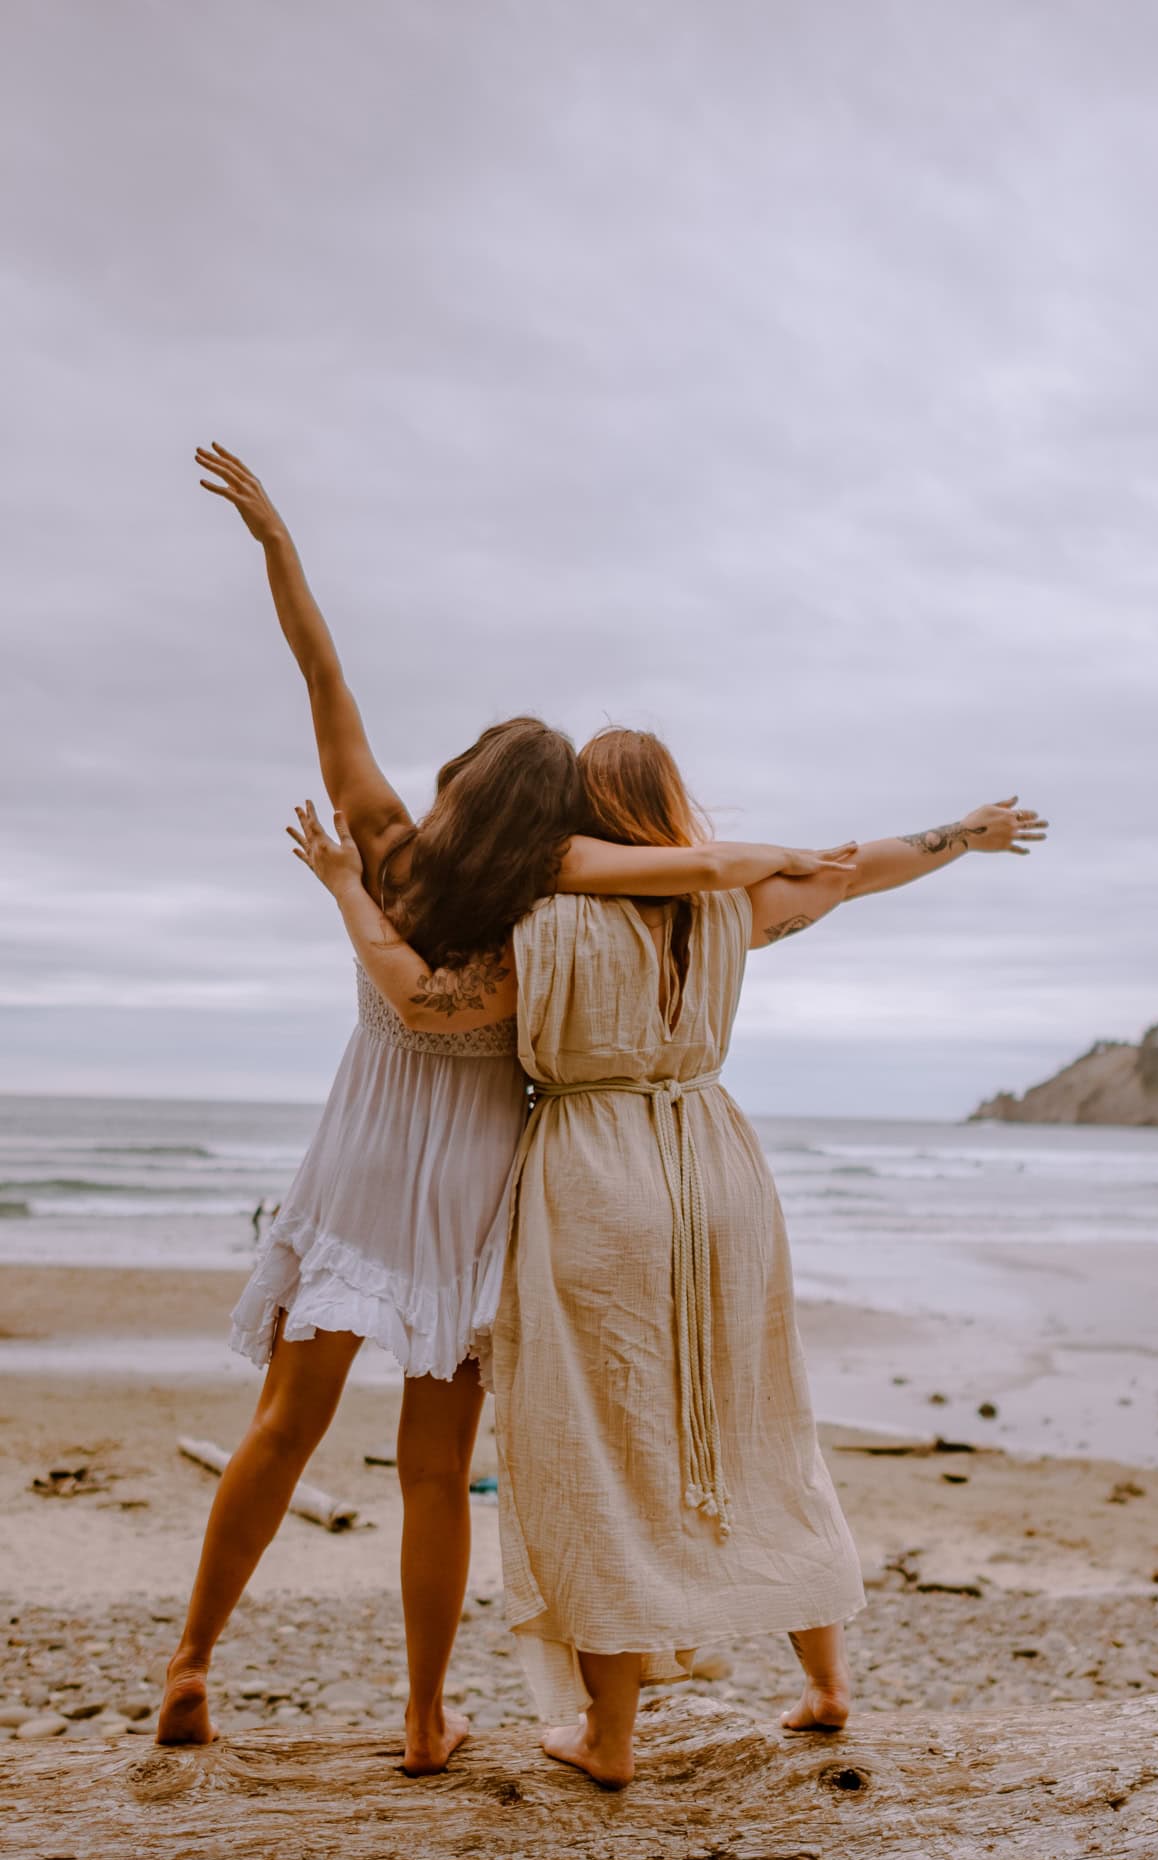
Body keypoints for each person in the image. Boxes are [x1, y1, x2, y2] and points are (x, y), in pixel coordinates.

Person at [157, 449, 843, 1770]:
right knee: (430, 1471)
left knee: (282, 1429)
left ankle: (189, 1667)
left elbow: (323, 679)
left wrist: (277, 547)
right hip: (477, 1188)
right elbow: (682, 873)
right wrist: (763, 856)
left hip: (359, 1168)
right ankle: (422, 1718)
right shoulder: (539, 911)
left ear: (462, 784)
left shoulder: (387, 849)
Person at [294, 726, 1046, 1785]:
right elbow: (853, 867)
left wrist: (346, 887)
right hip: (715, 1160)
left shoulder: (542, 923)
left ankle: (607, 1735)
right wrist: (963, 835)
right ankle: (826, 1684)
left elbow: (426, 1000)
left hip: (595, 1172)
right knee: (760, 1417)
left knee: (587, 1444)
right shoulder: (730, 906)